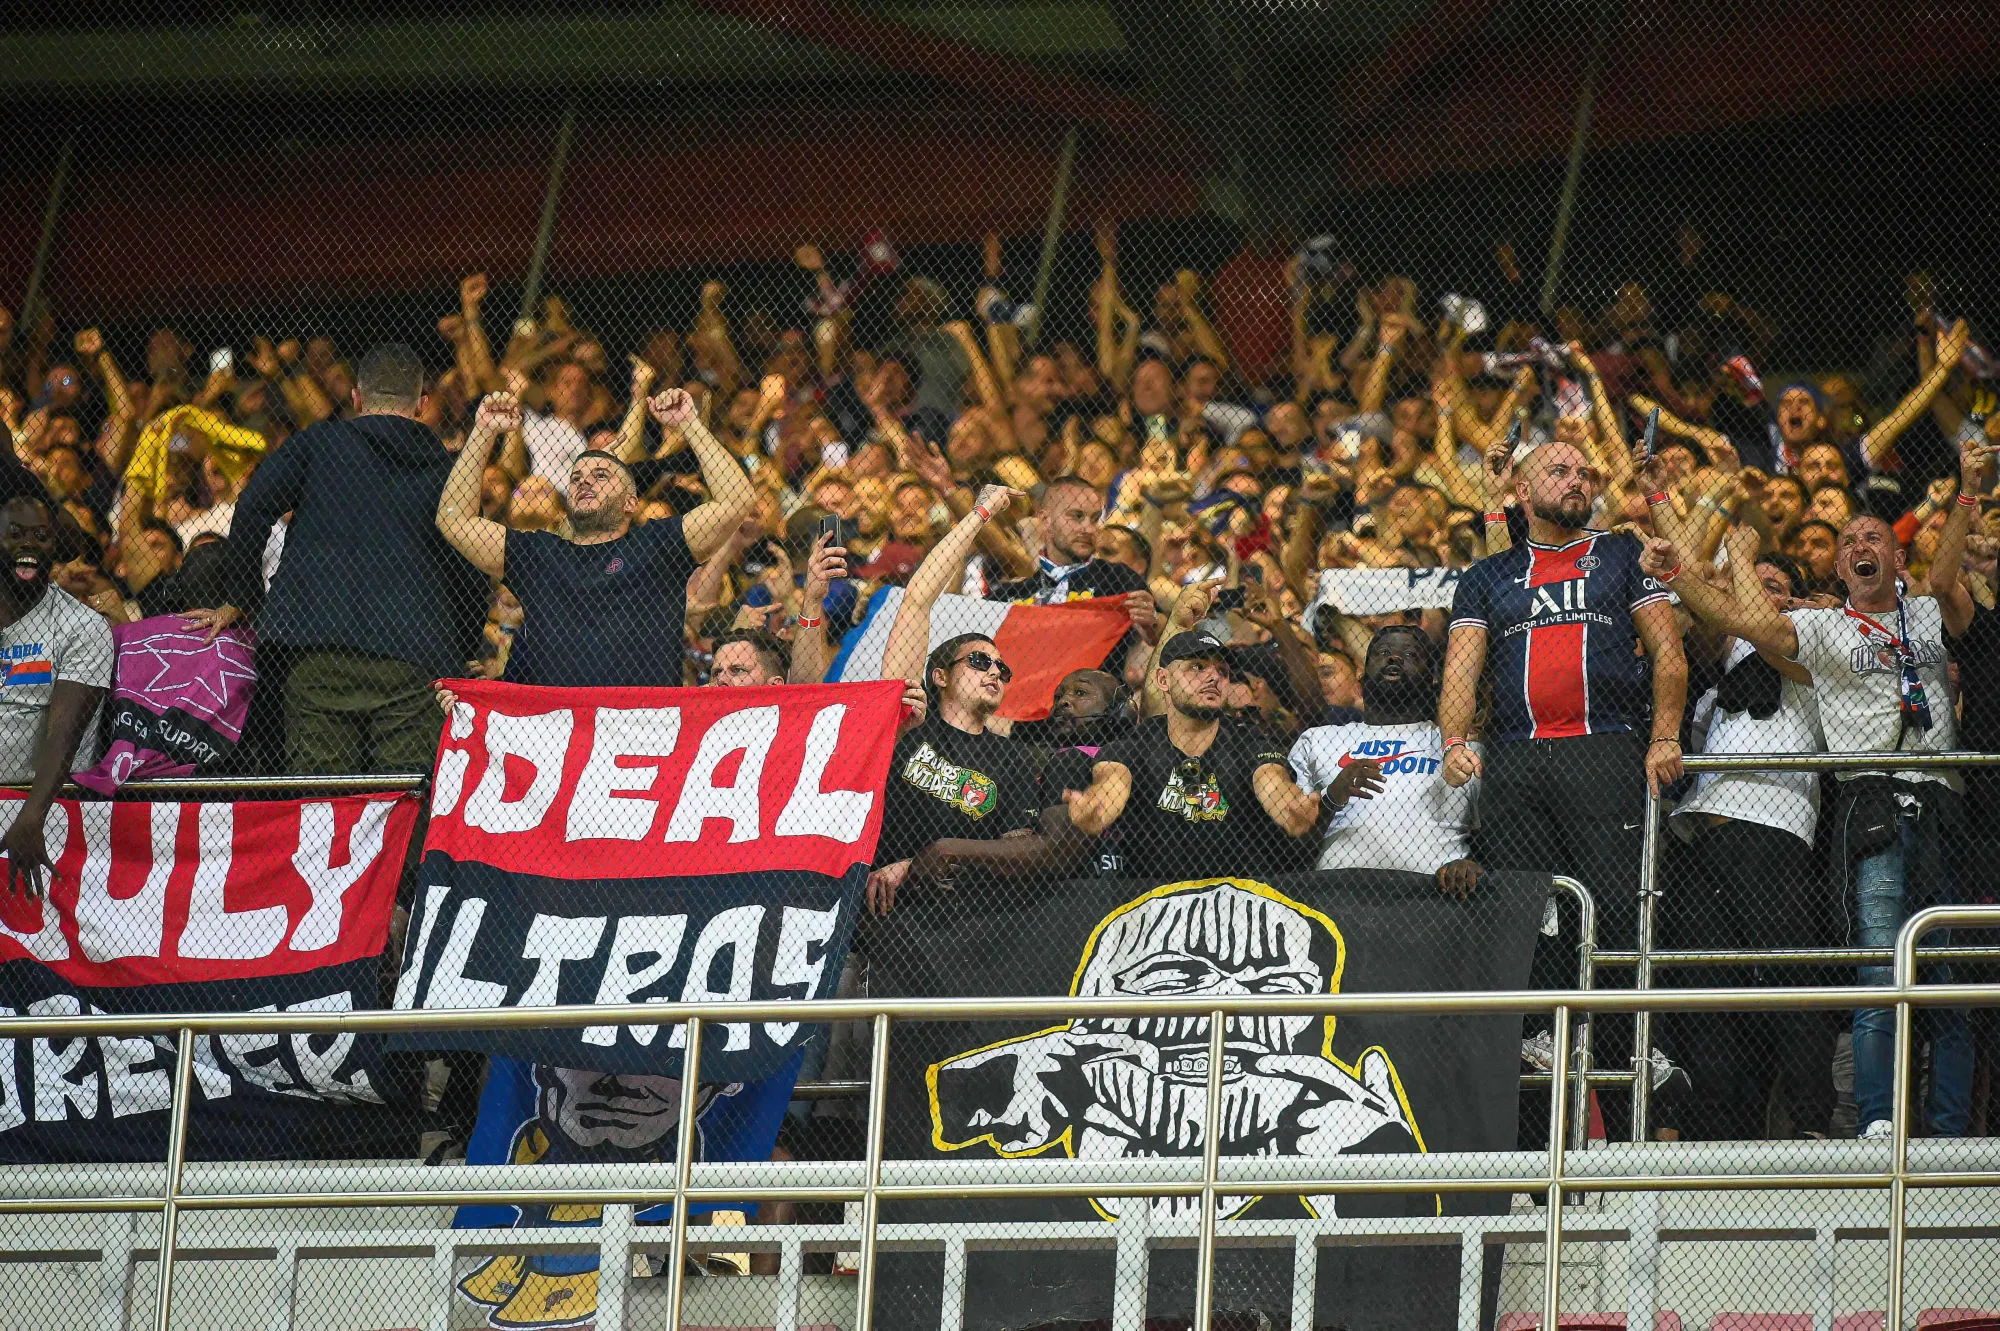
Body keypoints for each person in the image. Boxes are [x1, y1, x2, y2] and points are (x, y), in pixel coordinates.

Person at [1644, 472, 1978, 1141]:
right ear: (1836, 566)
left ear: (1897, 556)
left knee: (1952, 983)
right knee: (1876, 968)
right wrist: (1681, 567)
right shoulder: (1822, 628)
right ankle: (1877, 1120)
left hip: (1938, 805)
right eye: (1849, 538)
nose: (1860, 542)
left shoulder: (1928, 613)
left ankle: (1946, 1131)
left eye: (1873, 536)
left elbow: (1947, 581)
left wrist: (1967, 494)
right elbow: (1737, 616)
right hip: (1866, 805)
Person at [187, 342, 490, 774]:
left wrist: (244, 598)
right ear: (423, 405)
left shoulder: (320, 443)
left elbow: (253, 505)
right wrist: (458, 647)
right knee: (401, 801)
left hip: (316, 646)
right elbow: (471, 562)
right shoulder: (448, 469)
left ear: (356, 397)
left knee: (322, 802)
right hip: (413, 658)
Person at [1440, 439, 1687, 937]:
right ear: (1524, 490)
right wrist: (1453, 743)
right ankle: (1533, 1018)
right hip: (1514, 756)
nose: (1577, 480)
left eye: (1584, 472)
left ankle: (1617, 1017)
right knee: (1521, 914)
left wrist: (1664, 736)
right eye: (1560, 471)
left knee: (1616, 909)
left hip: (1605, 748)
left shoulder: (1622, 553)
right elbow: (1460, 670)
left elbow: (1669, 654)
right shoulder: (1487, 575)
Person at [1659, 530, 1830, 1140]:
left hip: (1771, 829)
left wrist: (1740, 563)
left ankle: (1811, 1121)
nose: (1759, 598)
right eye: (1751, 590)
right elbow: (1699, 612)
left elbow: (1750, 619)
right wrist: (1664, 515)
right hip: (1702, 835)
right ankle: (1712, 1133)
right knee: (1704, 992)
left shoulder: (1817, 642)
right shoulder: (1720, 667)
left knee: (1789, 983)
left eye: (1775, 588)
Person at [435, 388, 751, 687]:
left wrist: (690, 424)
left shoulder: (658, 544)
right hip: (558, 731)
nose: (585, 481)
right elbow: (454, 521)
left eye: (601, 475)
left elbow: (737, 499)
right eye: (576, 478)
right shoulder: (538, 553)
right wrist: (483, 431)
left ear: (631, 502)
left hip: (641, 730)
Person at [869, 484, 1084, 913]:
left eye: (1001, 669)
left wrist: (920, 863)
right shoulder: (909, 725)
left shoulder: (1014, 759)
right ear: (940, 676)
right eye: (979, 662)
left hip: (970, 920)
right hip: (889, 913)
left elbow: (1016, 846)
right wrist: (981, 512)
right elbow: (916, 602)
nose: (994, 673)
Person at [1063, 589, 1320, 882]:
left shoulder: (1249, 743)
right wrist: (1094, 810)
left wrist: (1291, 809)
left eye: (1222, 671)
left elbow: (1272, 781)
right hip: (1154, 904)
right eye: (1196, 667)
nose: (1213, 677)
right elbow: (1110, 785)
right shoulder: (1134, 746)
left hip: (1235, 903)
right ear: (1163, 679)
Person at [1287, 625, 1483, 895]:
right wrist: (1332, 796)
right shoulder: (1317, 741)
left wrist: (1474, 865)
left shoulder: (1457, 749)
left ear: (1433, 681)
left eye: (1412, 655)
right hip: (1336, 901)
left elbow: (1499, 837)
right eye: (1383, 652)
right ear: (1361, 680)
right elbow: (1288, 846)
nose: (1395, 658)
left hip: (1433, 903)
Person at [0, 489, 114, 896]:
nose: (29, 544)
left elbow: (63, 732)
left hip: (46, 811)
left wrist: (32, 815)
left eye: (42, 536)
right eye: (15, 533)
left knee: (36, 955)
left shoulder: (82, 626)